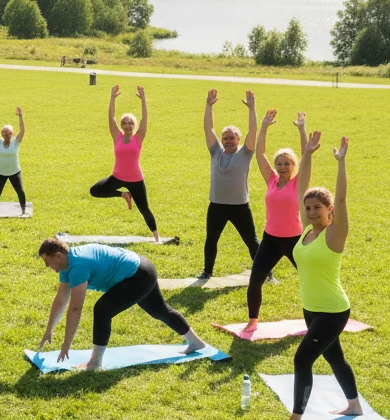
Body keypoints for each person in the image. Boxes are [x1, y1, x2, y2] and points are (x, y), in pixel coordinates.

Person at [279, 132, 361, 420]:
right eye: (309, 208)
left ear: (330, 212)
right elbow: (301, 188)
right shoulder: (307, 232)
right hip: (311, 309)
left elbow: (340, 198)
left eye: (318, 208)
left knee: (302, 359)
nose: (312, 211)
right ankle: (354, 404)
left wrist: (341, 162)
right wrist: (308, 153)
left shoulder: (334, 234)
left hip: (333, 310)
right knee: (335, 356)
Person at [37, 236, 206, 371]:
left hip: (138, 275)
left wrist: (66, 344)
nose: (46, 266)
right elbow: (61, 299)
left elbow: (75, 308)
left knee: (102, 310)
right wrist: (49, 329)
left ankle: (95, 363)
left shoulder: (78, 265)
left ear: (58, 256)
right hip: (142, 268)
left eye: (47, 261)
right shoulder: (67, 265)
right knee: (159, 310)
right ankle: (195, 342)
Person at [243, 108, 308, 333]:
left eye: (287, 163)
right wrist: (263, 127)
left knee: (310, 280)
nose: (282, 167)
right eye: (279, 163)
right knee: (255, 280)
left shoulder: (299, 182)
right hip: (270, 239)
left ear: (294, 166)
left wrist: (302, 129)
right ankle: (252, 321)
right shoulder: (271, 179)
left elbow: (306, 154)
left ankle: (316, 318)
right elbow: (259, 154)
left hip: (294, 240)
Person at [200, 88, 259, 279]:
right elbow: (208, 129)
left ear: (238, 140)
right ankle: (207, 272)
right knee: (211, 240)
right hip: (216, 205)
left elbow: (253, 130)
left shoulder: (245, 153)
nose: (228, 141)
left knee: (251, 241)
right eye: (225, 138)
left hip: (240, 206)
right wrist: (209, 106)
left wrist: (252, 108)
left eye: (232, 137)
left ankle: (266, 273)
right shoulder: (216, 151)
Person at [89, 85, 159, 240]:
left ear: (134, 126)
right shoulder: (117, 136)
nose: (128, 125)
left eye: (130, 123)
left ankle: (157, 238)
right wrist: (112, 98)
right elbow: (111, 117)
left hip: (136, 180)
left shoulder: (138, 137)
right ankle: (124, 194)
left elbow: (145, 118)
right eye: (125, 123)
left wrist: (143, 99)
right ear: (122, 126)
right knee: (95, 191)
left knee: (144, 209)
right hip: (117, 177)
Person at [0, 105, 27, 214]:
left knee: (20, 191)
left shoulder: (16, 142)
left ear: (12, 133)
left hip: (15, 171)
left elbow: (22, 130)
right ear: (2, 134)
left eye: (9, 132)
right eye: (4, 132)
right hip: (1, 172)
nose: (7, 134)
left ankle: (23, 210)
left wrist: (20, 116)